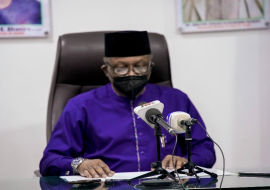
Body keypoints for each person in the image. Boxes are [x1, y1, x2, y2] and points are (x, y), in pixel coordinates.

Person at [40, 31, 216, 178]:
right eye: (121, 68)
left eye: (140, 67)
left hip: (166, 186)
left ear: (150, 67)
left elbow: (205, 149)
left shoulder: (177, 99)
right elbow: (50, 160)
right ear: (106, 71)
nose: (131, 74)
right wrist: (80, 164)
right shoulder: (81, 106)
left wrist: (186, 160)